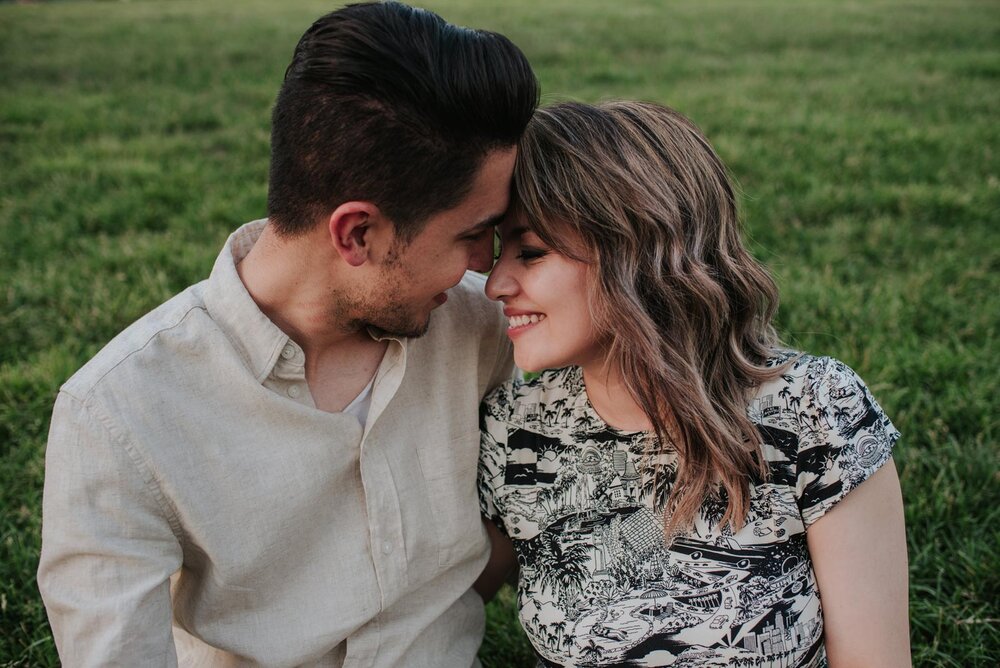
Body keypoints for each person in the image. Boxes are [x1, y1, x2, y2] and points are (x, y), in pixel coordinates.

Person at [37, 3, 538, 665]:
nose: (484, 263)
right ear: (357, 233)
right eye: (471, 234)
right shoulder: (119, 414)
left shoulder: (484, 328)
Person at [474, 101, 910, 666]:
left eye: (530, 252)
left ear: (638, 252)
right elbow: (429, 610)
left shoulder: (814, 413)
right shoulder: (515, 429)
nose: (494, 284)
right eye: (497, 251)